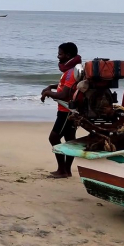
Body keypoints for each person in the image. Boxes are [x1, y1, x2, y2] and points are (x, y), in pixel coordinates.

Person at [40, 42, 81, 178]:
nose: (58, 56)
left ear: (68, 55)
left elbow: (64, 94)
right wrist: (52, 86)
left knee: (54, 137)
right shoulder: (73, 70)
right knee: (70, 139)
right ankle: (67, 170)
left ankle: (62, 170)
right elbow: (67, 86)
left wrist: (47, 93)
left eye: (60, 53)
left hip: (67, 112)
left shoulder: (70, 72)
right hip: (71, 110)